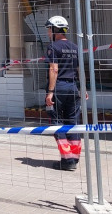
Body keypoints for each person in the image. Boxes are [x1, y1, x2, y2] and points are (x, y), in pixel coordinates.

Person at [44, 15, 81, 171]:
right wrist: (82, 89)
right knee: (73, 123)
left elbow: (54, 69)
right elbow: (79, 70)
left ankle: (66, 161)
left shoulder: (53, 47)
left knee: (58, 124)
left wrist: (50, 92)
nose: (47, 32)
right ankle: (74, 158)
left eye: (48, 29)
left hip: (59, 88)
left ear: (55, 29)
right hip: (73, 87)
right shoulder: (75, 47)